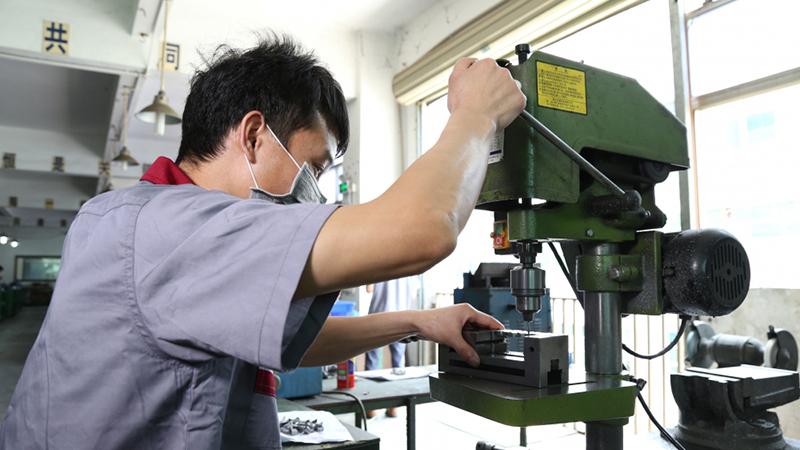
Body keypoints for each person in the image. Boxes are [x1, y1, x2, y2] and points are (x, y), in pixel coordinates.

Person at [0, 34, 525, 449]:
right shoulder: (172, 227)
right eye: (313, 167)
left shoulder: (137, 217)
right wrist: (475, 117)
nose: (315, 191)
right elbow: (422, 230)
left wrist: (417, 322)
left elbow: (278, 334)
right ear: (253, 136)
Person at [364, 277, 419, 417]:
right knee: (398, 364)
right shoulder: (411, 270)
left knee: (372, 362)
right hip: (401, 317)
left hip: (378, 316)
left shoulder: (377, 266)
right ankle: (394, 407)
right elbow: (413, 294)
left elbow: (369, 288)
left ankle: (370, 407)